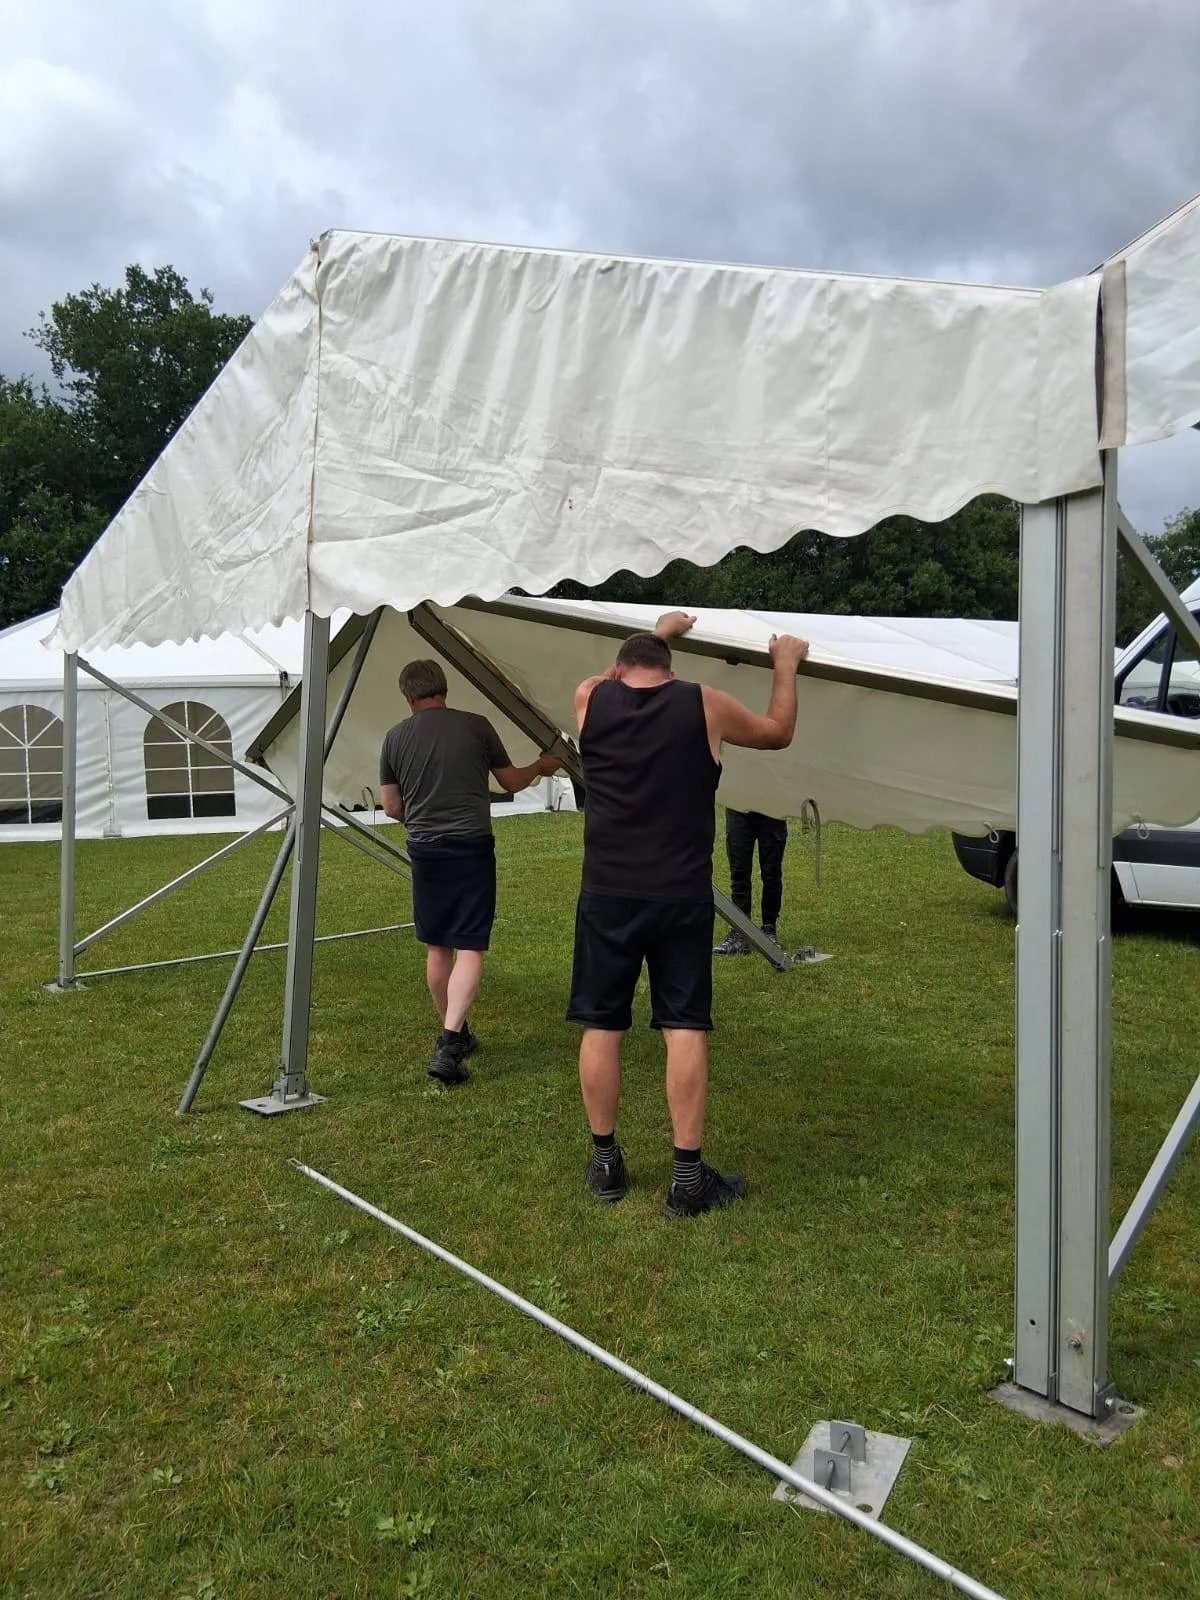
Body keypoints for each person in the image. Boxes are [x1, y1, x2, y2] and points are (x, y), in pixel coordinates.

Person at [567, 612, 809, 1217]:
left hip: (606, 892)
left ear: (620, 667)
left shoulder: (589, 698)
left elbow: (610, 678)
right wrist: (786, 662)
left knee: (603, 1025)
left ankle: (604, 1163)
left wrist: (657, 632)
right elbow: (778, 731)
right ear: (669, 668)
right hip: (679, 895)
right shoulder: (705, 703)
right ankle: (687, 1178)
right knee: (683, 1026)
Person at [379, 659, 562, 1087]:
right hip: (471, 847)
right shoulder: (476, 726)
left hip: (425, 851)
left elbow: (391, 807)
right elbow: (511, 782)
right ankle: (449, 1041)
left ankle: (456, 1033)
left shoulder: (394, 738)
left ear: (408, 697)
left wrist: (419, 821)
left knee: (438, 947)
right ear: (444, 689)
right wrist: (540, 766)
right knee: (470, 946)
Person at [713, 809, 789, 953]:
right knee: (739, 872)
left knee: (771, 872)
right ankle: (739, 932)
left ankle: (769, 929)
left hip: (771, 809)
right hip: (738, 807)